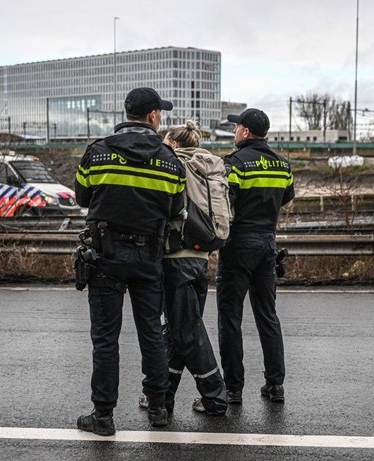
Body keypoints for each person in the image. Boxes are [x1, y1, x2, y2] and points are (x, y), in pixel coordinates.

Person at [74, 87, 185, 436]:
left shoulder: (97, 153)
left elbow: (82, 197)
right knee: (151, 332)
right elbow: (177, 209)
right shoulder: (171, 161)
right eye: (160, 113)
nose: (161, 118)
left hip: (105, 255)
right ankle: (158, 410)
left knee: (105, 338)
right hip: (149, 256)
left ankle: (103, 416)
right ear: (152, 116)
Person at [139, 121, 228, 416]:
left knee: (187, 331)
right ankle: (162, 395)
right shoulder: (210, 165)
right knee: (178, 329)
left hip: (175, 257)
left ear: (174, 144)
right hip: (201, 258)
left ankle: (216, 396)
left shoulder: (175, 163)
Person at [216, 108, 294, 405]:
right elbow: (286, 196)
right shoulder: (282, 165)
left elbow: (225, 200)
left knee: (230, 317)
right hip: (267, 245)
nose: (235, 131)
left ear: (245, 132)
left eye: (237, 127)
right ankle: (275, 386)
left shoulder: (234, 164)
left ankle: (233, 388)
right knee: (267, 316)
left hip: (238, 245)